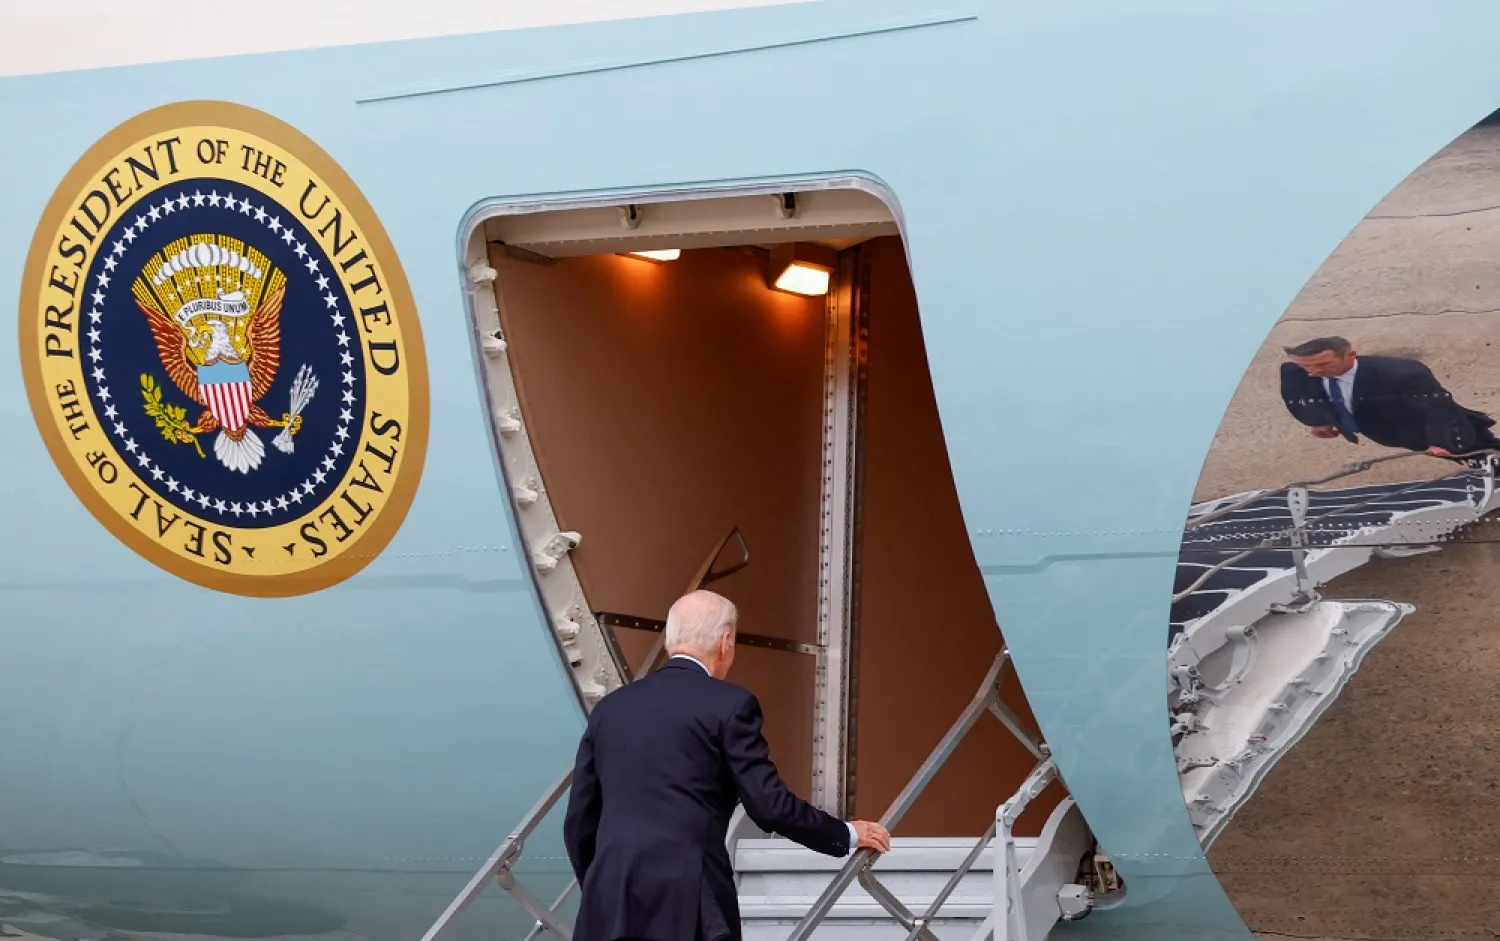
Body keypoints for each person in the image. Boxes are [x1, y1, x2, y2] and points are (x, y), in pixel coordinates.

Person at [562, 590, 890, 941]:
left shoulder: (611, 709)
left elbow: (580, 821)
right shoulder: (730, 705)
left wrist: (600, 884)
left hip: (610, 898)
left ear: (672, 639)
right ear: (725, 642)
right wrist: (845, 833)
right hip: (688, 897)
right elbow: (769, 805)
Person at [1280, 336, 1498, 458]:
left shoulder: (1404, 373)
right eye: (1307, 366)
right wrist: (1319, 419)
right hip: (1384, 429)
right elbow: (1301, 393)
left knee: (1474, 448)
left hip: (1416, 426)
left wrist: (1440, 441)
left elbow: (1438, 408)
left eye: (1324, 364)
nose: (1313, 372)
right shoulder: (1296, 371)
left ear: (1351, 355)